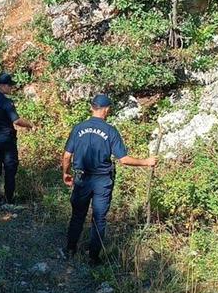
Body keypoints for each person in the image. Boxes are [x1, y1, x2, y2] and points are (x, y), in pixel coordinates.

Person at [61, 94, 156, 265]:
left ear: (92, 107)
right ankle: (93, 258)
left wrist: (66, 173)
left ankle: (70, 250)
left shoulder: (78, 128)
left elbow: (67, 156)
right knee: (99, 219)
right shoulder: (110, 131)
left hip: (82, 179)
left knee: (77, 215)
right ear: (106, 110)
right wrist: (146, 162)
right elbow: (124, 159)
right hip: (102, 182)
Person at [0, 73, 33, 206]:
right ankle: (9, 198)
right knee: (10, 168)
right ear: (2, 85)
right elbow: (17, 121)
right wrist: (30, 125)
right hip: (7, 140)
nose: (11, 88)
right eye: (9, 85)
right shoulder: (6, 101)